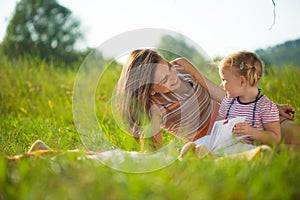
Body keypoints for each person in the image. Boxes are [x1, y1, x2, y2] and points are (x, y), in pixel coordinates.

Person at [115, 49, 299, 152]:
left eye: (169, 68)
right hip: (217, 140)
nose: (173, 77)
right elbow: (154, 152)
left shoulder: (181, 65)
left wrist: (270, 107)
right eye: (164, 80)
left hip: (239, 114)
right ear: (150, 90)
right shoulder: (153, 106)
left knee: (293, 134)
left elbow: (219, 93)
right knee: (283, 152)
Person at [217, 50, 281, 146]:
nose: (221, 85)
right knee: (194, 146)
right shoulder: (228, 102)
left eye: (224, 80)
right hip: (227, 147)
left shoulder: (265, 106)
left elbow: (275, 138)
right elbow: (218, 127)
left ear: (242, 81)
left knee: (264, 151)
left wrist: (251, 131)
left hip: (251, 151)